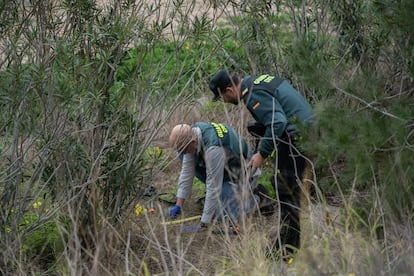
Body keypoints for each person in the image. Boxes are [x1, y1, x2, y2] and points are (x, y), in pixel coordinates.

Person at [208, 69, 314, 257]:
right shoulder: (257, 82)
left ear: (229, 90)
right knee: (284, 188)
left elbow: (277, 122)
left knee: (286, 191)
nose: (224, 102)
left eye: (222, 97)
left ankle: (287, 249)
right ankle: (287, 242)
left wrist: (262, 154)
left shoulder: (252, 94)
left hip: (296, 137)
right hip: (303, 132)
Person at [168, 122, 268, 230]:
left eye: (182, 148)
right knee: (182, 156)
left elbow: (213, 186)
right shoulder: (194, 133)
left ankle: (257, 198)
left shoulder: (213, 148)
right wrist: (178, 205)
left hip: (242, 176)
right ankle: (225, 195)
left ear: (193, 142)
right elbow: (187, 172)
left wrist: (204, 223)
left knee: (221, 215)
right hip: (224, 170)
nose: (181, 152)